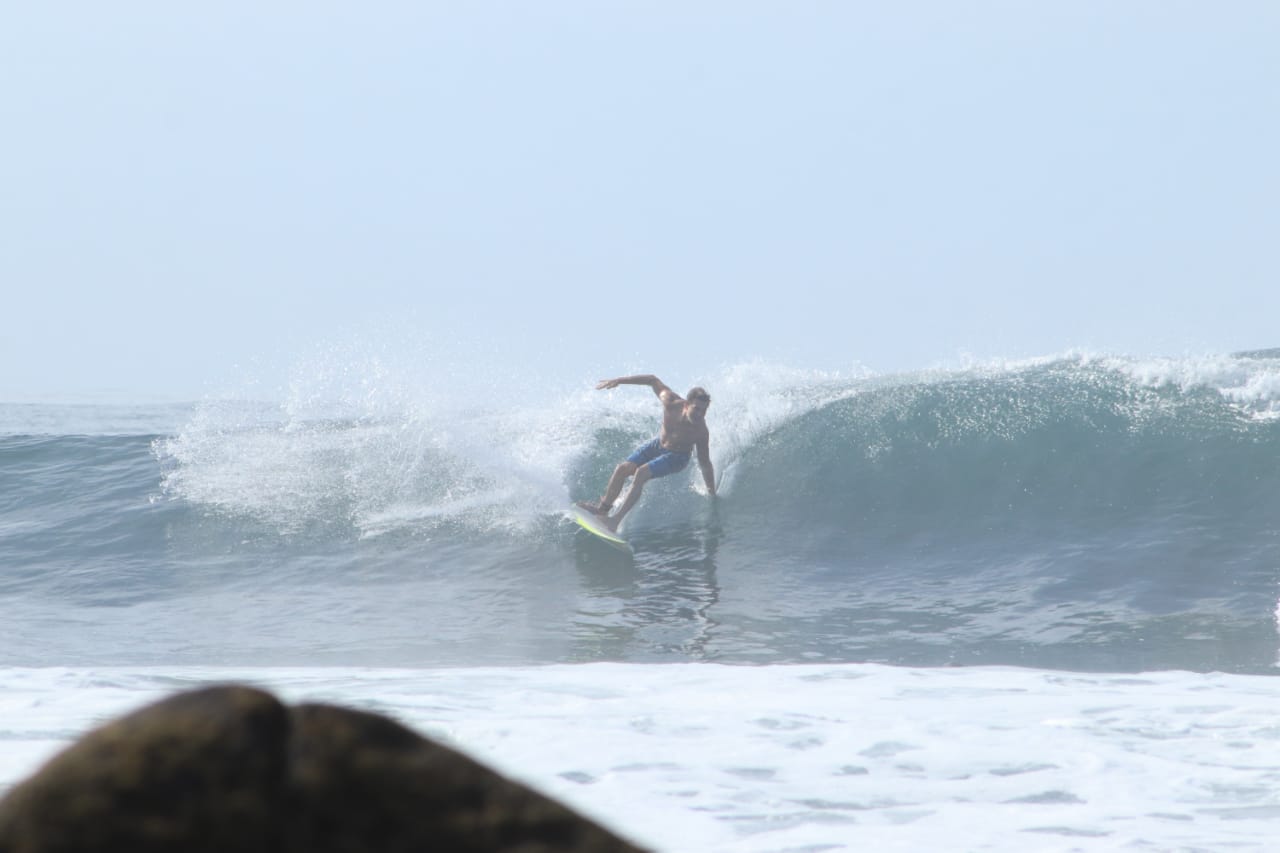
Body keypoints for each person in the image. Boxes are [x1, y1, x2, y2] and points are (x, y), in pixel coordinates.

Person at [577, 375, 715, 532]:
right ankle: (602, 510)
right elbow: (652, 380)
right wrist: (620, 381)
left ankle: (614, 521)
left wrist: (712, 492)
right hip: (658, 445)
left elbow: (705, 463)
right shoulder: (670, 402)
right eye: (696, 408)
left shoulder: (701, 432)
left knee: (641, 473)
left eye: (704, 411)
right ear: (686, 404)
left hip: (678, 457)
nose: (700, 414)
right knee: (622, 469)